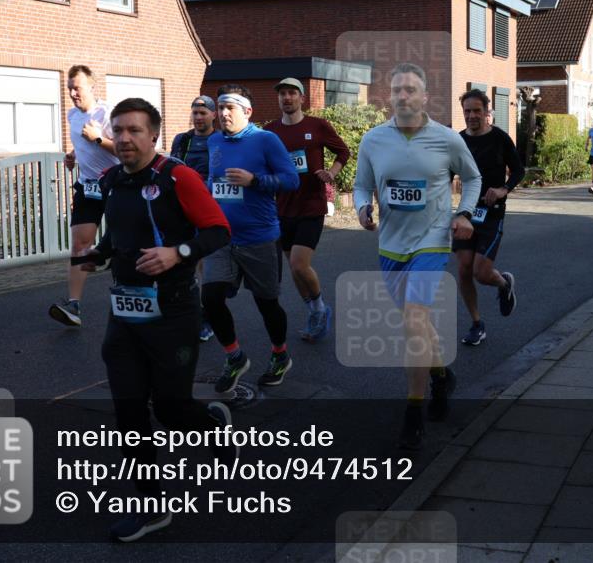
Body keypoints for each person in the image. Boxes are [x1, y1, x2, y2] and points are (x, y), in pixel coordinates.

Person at [75, 97, 233, 542]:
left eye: (134, 131)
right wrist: (98, 255)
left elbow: (218, 230)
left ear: (154, 135)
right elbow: (120, 234)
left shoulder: (178, 177)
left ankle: (212, 423)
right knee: (129, 409)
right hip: (124, 311)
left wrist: (177, 253)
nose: (124, 138)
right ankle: (152, 504)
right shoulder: (109, 181)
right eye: (119, 130)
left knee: (171, 409)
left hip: (175, 310)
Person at [354, 62, 481, 449]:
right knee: (417, 326)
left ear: (425, 97)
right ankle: (441, 375)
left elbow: (472, 178)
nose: (403, 96)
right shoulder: (374, 140)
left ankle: (413, 409)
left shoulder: (446, 139)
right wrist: (362, 208)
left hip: (432, 240)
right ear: (389, 97)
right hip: (391, 245)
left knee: (414, 320)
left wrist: (463, 213)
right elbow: (361, 185)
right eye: (397, 90)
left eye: (411, 89)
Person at [201, 84, 300, 393]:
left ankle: (280, 355)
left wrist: (254, 180)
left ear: (247, 111)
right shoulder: (214, 140)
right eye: (220, 107)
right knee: (211, 298)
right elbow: (213, 181)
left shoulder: (265, 140)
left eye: (230, 107)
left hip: (260, 237)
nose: (223, 113)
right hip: (223, 238)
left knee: (267, 304)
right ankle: (235, 357)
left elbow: (291, 179)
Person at [264, 78, 351, 342]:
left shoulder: (318, 125)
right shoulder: (270, 132)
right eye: (282, 94)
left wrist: (331, 173)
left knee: (299, 264)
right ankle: (314, 310)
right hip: (282, 207)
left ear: (302, 98)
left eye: (292, 93)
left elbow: (343, 152)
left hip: (311, 205)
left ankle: (321, 309)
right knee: (294, 268)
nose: (287, 98)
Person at [453, 88, 523, 347]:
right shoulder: (457, 141)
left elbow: (518, 170)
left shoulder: (500, 139)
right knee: (463, 269)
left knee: (481, 273)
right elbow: (446, 173)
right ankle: (476, 324)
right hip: (465, 214)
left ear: (486, 113)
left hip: (492, 213)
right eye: (467, 111)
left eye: (476, 111)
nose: (471, 116)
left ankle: (503, 284)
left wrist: (503, 189)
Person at [50, 65, 120, 327]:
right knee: (80, 244)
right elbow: (83, 143)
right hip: (87, 187)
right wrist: (73, 155)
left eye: (77, 88)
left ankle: (133, 294)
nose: (72, 93)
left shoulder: (109, 113)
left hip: (115, 186)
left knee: (124, 242)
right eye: (69, 88)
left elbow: (125, 150)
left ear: (92, 87)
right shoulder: (71, 116)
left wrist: (98, 139)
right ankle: (74, 306)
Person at [170, 95, 218, 343]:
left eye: (203, 113)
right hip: (181, 208)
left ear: (213, 115)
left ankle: (205, 316)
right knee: (182, 262)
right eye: (195, 113)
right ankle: (186, 313)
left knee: (202, 264)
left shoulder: (219, 140)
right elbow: (172, 167)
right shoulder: (183, 139)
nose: (198, 117)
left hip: (207, 208)